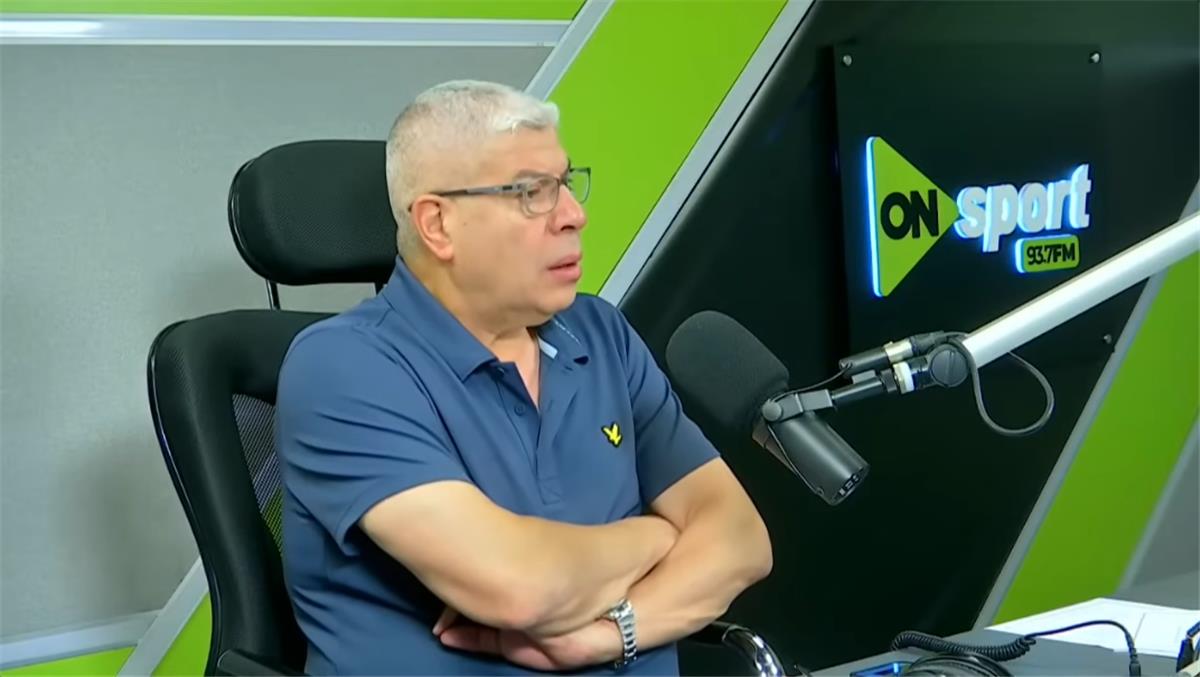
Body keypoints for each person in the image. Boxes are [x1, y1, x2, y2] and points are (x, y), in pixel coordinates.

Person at [275, 80, 773, 676]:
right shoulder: (341, 367)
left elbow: (742, 540)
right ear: (438, 224)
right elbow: (519, 588)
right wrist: (659, 535)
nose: (574, 215)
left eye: (565, 183)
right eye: (533, 193)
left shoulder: (600, 334)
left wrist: (611, 635)